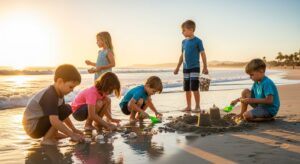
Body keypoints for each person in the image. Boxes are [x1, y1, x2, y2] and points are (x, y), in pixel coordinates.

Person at [22, 64, 84, 145]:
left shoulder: (59, 93)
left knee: (65, 109)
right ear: (60, 81)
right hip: (33, 128)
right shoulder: (50, 94)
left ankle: (53, 134)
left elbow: (63, 116)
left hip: (38, 124)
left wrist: (73, 129)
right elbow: (54, 120)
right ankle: (47, 138)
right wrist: (72, 135)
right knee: (66, 109)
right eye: (71, 87)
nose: (72, 90)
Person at [174, 20, 208, 112]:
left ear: (191, 29)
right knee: (187, 88)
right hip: (185, 68)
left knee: (194, 87)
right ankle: (188, 106)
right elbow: (182, 55)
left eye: (184, 30)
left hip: (195, 67)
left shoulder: (198, 41)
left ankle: (197, 106)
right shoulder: (183, 42)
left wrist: (205, 66)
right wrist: (177, 67)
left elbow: (203, 54)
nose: (182, 32)